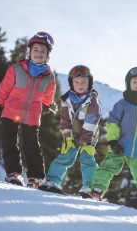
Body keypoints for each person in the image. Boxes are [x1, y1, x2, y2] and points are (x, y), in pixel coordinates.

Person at [0, 32, 57, 187]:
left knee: (32, 146)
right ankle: (13, 174)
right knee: (9, 143)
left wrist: (49, 104)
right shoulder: (16, 69)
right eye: (35, 50)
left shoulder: (49, 77)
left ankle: (35, 177)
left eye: (43, 51)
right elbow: (4, 89)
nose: (39, 53)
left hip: (32, 115)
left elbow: (48, 95)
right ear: (29, 52)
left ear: (47, 55)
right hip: (10, 111)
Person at [90, 67, 137, 208]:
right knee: (107, 168)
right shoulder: (122, 104)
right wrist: (113, 141)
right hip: (119, 146)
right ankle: (97, 190)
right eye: (134, 82)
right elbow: (113, 123)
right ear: (129, 84)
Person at [39, 65, 101, 196]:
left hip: (88, 137)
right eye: (77, 82)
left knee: (87, 158)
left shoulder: (93, 101)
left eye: (84, 82)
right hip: (73, 135)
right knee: (65, 155)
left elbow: (90, 124)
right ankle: (52, 181)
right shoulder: (66, 100)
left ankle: (90, 187)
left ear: (89, 83)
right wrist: (67, 138)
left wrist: (87, 143)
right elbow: (65, 120)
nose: (80, 85)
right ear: (71, 83)